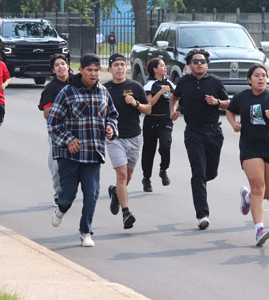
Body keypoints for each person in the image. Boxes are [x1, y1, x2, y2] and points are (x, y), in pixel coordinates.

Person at [47, 54, 118, 247]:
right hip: (69, 154)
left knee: (92, 193)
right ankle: (61, 209)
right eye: (90, 70)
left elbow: (112, 114)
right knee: (68, 195)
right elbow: (53, 123)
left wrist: (111, 127)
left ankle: (85, 231)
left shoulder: (103, 92)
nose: (94, 74)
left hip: (93, 153)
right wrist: (68, 139)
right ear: (81, 70)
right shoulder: (67, 92)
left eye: (96, 70)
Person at [227, 64, 269, 246]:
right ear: (249, 80)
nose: (261, 78)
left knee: (268, 193)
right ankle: (259, 229)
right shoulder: (242, 97)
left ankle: (247, 198)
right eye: (257, 75)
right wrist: (233, 124)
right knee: (257, 186)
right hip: (249, 148)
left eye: (264, 75)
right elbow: (230, 110)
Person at [169, 49, 229, 230]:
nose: (199, 64)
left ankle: (201, 183)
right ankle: (202, 214)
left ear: (207, 64)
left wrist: (217, 102)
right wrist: (173, 110)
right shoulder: (183, 81)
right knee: (198, 173)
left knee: (210, 173)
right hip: (193, 133)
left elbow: (229, 103)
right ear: (189, 65)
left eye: (202, 61)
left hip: (213, 133)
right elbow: (174, 97)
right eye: (195, 61)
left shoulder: (215, 82)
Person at [104, 53, 151, 229]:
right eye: (116, 65)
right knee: (122, 174)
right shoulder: (104, 89)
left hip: (134, 137)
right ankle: (126, 213)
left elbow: (148, 110)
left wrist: (136, 104)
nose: (120, 68)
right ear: (109, 68)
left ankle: (115, 193)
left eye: (122, 65)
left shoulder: (135, 86)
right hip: (115, 138)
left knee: (128, 176)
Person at [38, 54, 71, 206]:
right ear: (53, 70)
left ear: (68, 65)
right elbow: (46, 113)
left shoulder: (78, 82)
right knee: (57, 166)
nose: (61, 67)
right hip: (57, 131)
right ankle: (58, 194)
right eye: (57, 65)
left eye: (63, 64)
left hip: (78, 130)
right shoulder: (51, 88)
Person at [141, 57, 174, 192]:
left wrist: (174, 105)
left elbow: (176, 98)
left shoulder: (169, 83)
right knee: (149, 151)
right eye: (162, 66)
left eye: (165, 66)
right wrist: (160, 92)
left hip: (166, 120)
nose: (165, 68)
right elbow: (149, 104)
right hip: (151, 121)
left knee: (166, 145)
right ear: (155, 69)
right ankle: (146, 178)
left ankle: (163, 169)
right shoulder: (150, 84)